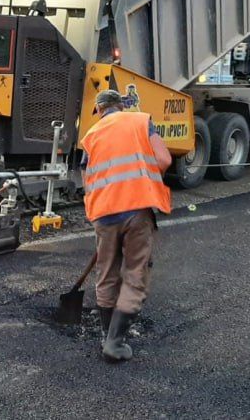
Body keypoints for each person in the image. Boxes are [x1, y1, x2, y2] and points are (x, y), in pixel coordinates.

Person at [80, 88, 172, 363]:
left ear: (99, 111)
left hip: (103, 215)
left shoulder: (91, 136)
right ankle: (116, 342)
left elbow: (87, 179)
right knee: (135, 272)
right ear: (121, 106)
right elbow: (164, 160)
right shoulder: (141, 121)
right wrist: (143, 179)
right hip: (135, 210)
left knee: (106, 273)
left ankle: (107, 335)